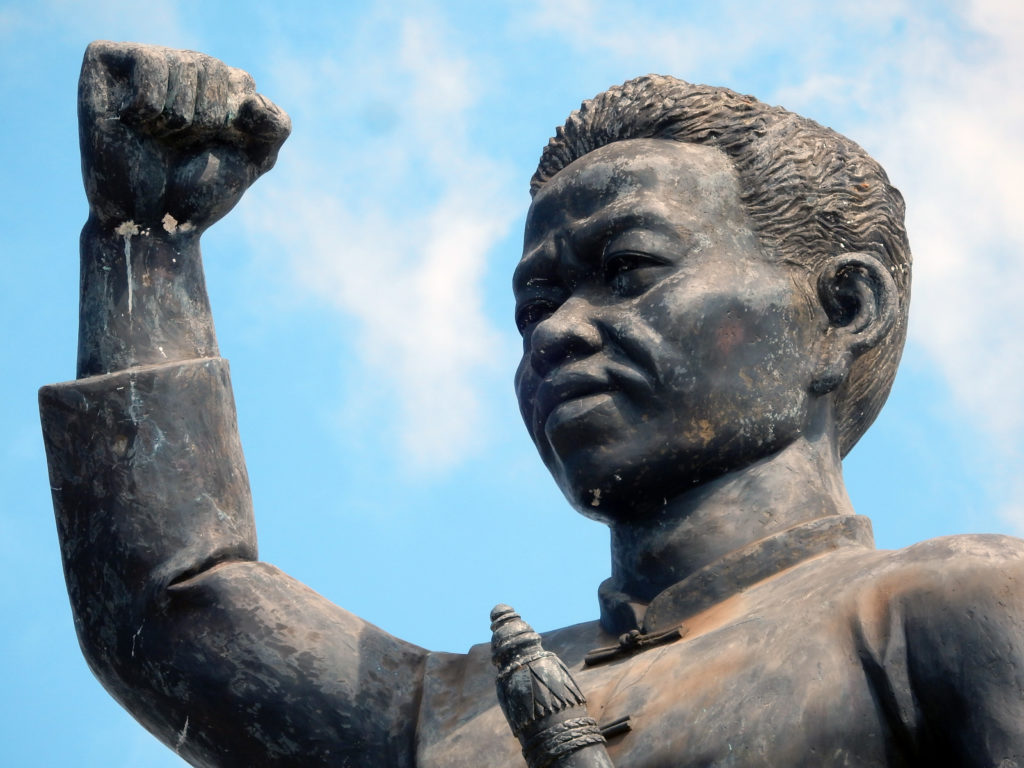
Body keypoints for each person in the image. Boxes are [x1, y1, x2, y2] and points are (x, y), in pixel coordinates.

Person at [40, 41, 1024, 767]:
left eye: (629, 270)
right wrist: (143, 238)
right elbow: (170, 611)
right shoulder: (442, 717)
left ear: (843, 308)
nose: (556, 332)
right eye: (534, 303)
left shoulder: (955, 611)